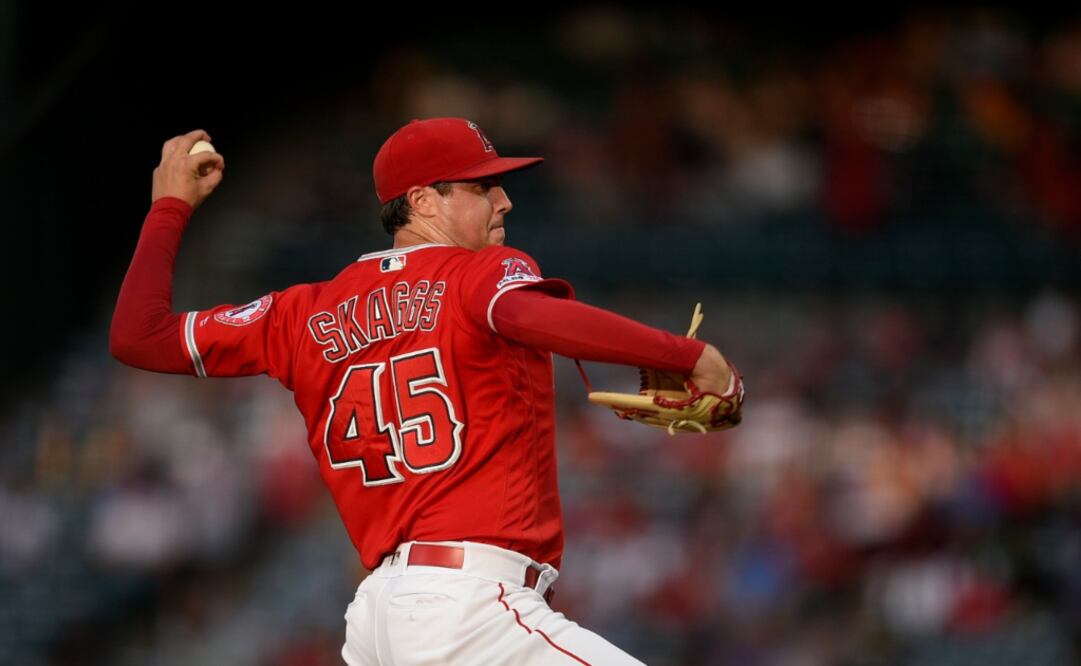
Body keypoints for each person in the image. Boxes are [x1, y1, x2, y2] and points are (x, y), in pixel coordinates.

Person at [110, 118, 742, 664]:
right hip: (468, 607)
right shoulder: (480, 272)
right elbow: (527, 317)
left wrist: (169, 207)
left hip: (378, 622)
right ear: (423, 201)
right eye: (481, 186)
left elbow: (140, 336)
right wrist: (688, 355)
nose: (504, 201)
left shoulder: (298, 314)